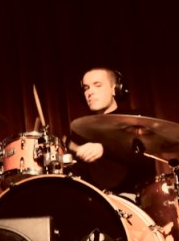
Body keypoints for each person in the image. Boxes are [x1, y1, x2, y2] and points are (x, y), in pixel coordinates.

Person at [66, 67, 157, 201]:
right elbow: (76, 175)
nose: (90, 92)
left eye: (97, 85)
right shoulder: (80, 131)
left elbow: (143, 158)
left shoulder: (136, 119)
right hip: (95, 201)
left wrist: (104, 148)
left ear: (116, 89)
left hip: (134, 199)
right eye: (86, 88)